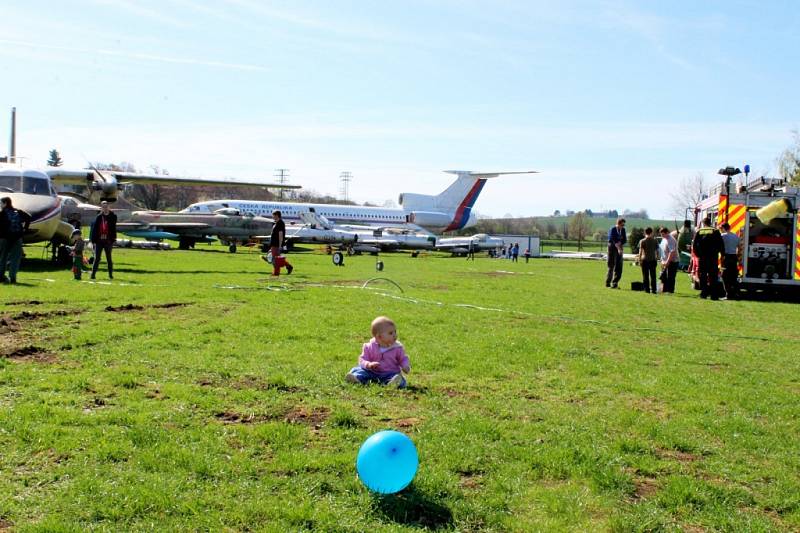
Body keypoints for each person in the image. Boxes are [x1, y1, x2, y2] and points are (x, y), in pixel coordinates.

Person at [345, 316, 411, 388]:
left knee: (398, 378)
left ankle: (393, 383)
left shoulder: (397, 348)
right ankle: (356, 378)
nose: (395, 335)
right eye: (391, 333)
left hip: (389, 373)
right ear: (379, 337)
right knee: (360, 371)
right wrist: (368, 364)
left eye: (395, 332)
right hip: (371, 371)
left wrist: (405, 366)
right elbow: (362, 359)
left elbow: (403, 358)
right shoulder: (369, 347)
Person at [0, 197, 32, 284]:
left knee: (2, 257)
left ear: (5, 203)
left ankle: (1, 276)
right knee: (15, 258)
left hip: (4, 238)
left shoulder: (2, 213)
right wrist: (25, 229)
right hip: (17, 238)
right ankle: (12, 277)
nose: (0, 205)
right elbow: (29, 217)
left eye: (1, 203)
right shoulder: (18, 211)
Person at [692, 217, 724, 299]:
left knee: (703, 275)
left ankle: (704, 293)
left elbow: (694, 245)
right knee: (713, 276)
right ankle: (714, 295)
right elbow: (720, 244)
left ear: (703, 223)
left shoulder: (699, 231)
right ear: (710, 222)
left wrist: (698, 255)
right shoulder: (715, 231)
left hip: (702, 258)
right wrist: (722, 254)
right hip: (713, 257)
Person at [90, 201, 117, 279]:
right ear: (101, 208)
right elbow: (95, 229)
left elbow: (113, 228)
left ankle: (110, 275)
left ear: (109, 207)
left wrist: (113, 239)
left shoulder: (113, 216)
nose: (105, 208)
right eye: (103, 207)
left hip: (108, 241)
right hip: (99, 241)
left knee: (109, 258)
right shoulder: (99, 217)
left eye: (106, 207)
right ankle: (93, 274)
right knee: (97, 258)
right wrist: (93, 240)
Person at [262, 210, 293, 276]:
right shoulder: (276, 223)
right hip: (273, 243)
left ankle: (276, 273)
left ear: (277, 215)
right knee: (274, 257)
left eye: (273, 215)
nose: (273, 217)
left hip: (276, 244)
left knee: (275, 259)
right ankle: (288, 266)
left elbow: (281, 235)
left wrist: (280, 245)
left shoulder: (280, 223)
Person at [720, 222, 740, 300]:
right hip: (734, 257)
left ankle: (728, 294)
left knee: (725, 276)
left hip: (726, 257)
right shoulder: (735, 236)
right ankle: (735, 293)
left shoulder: (722, 236)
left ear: (723, 228)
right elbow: (739, 247)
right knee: (733, 276)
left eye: (720, 229)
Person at [605, 217, 626, 288]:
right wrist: (618, 247)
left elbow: (625, 239)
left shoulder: (623, 230)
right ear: (618, 224)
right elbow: (612, 239)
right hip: (612, 248)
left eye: (624, 225)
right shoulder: (613, 229)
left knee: (619, 266)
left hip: (620, 247)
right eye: (622, 225)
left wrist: (621, 243)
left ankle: (615, 283)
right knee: (611, 265)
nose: (623, 226)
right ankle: (608, 282)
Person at [637, 227, 659, 294]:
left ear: (645, 232)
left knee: (645, 275)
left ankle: (647, 289)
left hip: (645, 260)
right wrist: (657, 258)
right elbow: (657, 251)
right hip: (653, 260)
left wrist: (639, 260)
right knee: (653, 276)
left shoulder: (642, 241)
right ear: (651, 232)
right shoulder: (655, 240)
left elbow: (640, 251)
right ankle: (654, 290)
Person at [659, 227, 679, 293]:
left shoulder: (671, 240)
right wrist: (662, 260)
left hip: (672, 261)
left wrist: (668, 261)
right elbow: (662, 250)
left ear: (667, 232)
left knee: (671, 277)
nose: (662, 236)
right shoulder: (664, 239)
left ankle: (670, 291)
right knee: (663, 277)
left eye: (663, 234)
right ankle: (663, 290)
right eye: (661, 234)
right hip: (664, 261)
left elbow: (672, 252)